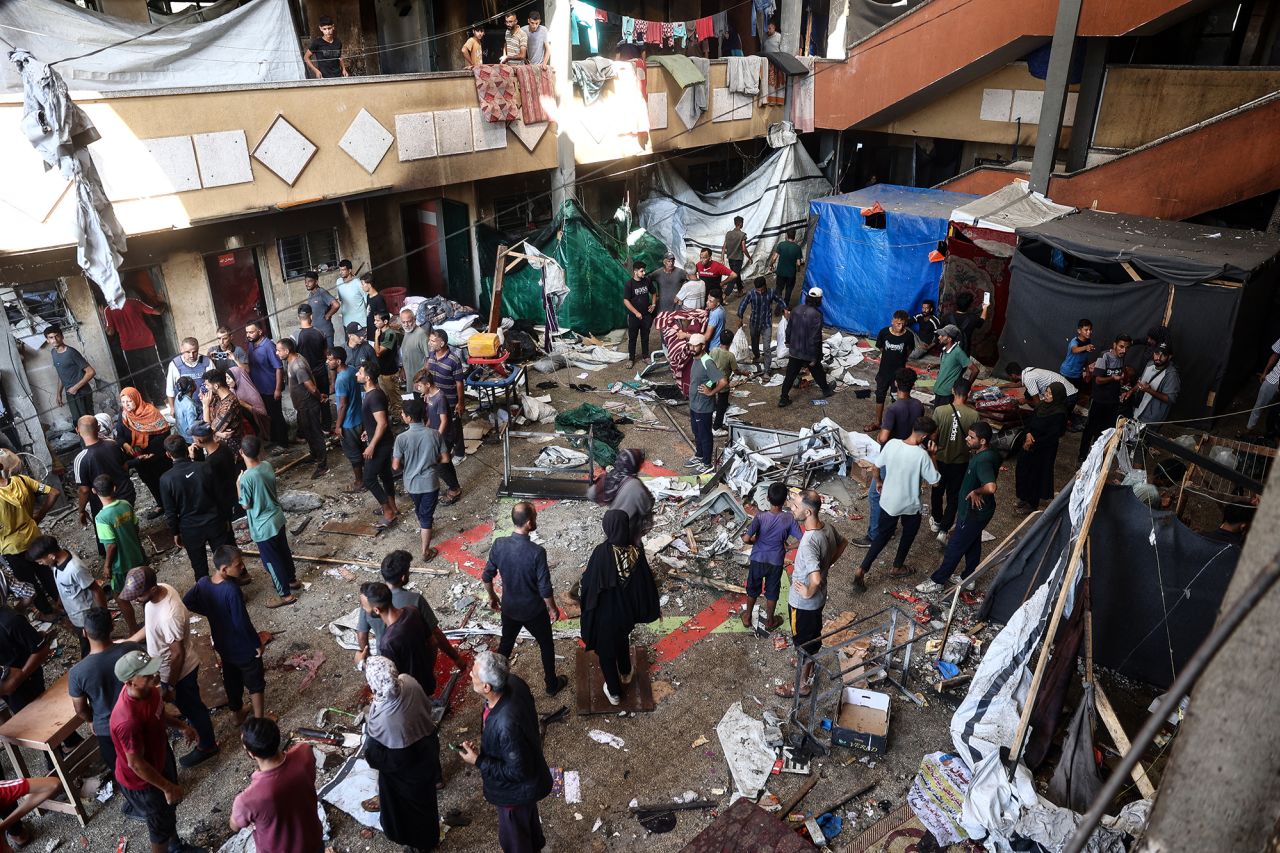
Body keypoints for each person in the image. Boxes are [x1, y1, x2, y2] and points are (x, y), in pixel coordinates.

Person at [109, 648, 205, 853]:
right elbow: (136, 763)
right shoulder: (127, 720)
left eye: (152, 669)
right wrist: (166, 787)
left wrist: (182, 727)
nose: (155, 675)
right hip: (143, 781)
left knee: (167, 813)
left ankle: (176, 846)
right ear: (129, 683)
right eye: (146, 675)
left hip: (160, 758)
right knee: (159, 827)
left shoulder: (149, 690)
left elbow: (158, 714)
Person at [120, 567, 218, 767]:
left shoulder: (169, 615)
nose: (136, 599)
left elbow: (177, 653)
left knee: (193, 709)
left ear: (153, 589)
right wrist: (129, 640)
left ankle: (207, 746)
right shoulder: (160, 591)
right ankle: (196, 730)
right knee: (188, 707)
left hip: (180, 672)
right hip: (165, 667)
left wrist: (169, 685)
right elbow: (151, 627)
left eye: (139, 595)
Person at [459, 651, 553, 853]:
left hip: (514, 795)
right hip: (528, 783)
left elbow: (518, 772)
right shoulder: (515, 683)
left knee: (515, 840)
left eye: (474, 674)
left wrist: (478, 760)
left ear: (487, 687)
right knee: (528, 824)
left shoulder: (505, 724)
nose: (470, 676)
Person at [482, 502, 568, 696]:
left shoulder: (499, 544)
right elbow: (545, 588)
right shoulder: (537, 552)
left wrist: (493, 596)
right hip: (533, 611)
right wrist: (553, 608)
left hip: (510, 609)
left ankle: (495, 686)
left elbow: (487, 576)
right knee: (546, 645)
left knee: (505, 645)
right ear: (529, 523)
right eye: (535, 517)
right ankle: (551, 684)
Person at [580, 510, 660, 705]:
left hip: (605, 617)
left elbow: (589, 585)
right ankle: (626, 672)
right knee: (622, 640)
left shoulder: (601, 552)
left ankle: (614, 692)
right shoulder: (637, 552)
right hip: (626, 614)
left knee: (606, 653)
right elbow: (646, 583)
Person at [362, 656, 441, 852]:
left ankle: (420, 845)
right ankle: (430, 839)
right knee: (426, 802)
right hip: (427, 749)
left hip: (404, 768)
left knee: (408, 812)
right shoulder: (409, 682)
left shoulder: (383, 718)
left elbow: (374, 754)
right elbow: (428, 707)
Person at [854, 416, 940, 589]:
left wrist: (878, 482)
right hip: (910, 505)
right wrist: (933, 456)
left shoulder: (892, 444)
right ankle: (897, 566)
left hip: (888, 501)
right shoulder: (923, 456)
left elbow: (876, 467)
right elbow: (936, 481)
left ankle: (862, 568)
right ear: (924, 437)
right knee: (908, 534)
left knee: (882, 536)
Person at [777, 490, 847, 698]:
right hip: (819, 599)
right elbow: (843, 543)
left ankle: (801, 685)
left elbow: (815, 579)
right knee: (812, 636)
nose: (792, 507)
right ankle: (807, 663)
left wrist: (807, 590)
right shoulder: (826, 528)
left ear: (807, 512)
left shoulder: (808, 543)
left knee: (803, 643)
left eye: (796, 506)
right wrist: (827, 564)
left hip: (804, 604)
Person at [183, 546, 266, 721]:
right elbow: (241, 622)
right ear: (224, 569)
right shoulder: (231, 590)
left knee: (231, 678)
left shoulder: (204, 582)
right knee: (255, 681)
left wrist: (210, 611)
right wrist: (256, 643)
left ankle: (237, 714)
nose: (243, 567)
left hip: (222, 644)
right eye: (238, 564)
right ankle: (260, 720)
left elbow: (187, 601)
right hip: (241, 646)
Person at [917, 422, 1000, 594]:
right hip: (978, 512)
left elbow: (991, 487)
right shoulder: (988, 453)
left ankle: (937, 581)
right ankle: (968, 578)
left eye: (971, 437)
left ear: (983, 441)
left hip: (973, 513)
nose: (967, 439)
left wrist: (977, 490)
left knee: (954, 546)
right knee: (973, 543)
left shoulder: (983, 460)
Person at [68, 607, 143, 789]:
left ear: (85, 633)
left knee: (122, 768)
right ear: (112, 627)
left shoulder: (77, 673)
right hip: (139, 716)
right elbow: (148, 679)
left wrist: (91, 720)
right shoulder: (131, 649)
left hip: (108, 729)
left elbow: (80, 709)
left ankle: (135, 801)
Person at [355, 551, 464, 674]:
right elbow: (435, 636)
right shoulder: (414, 602)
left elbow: (362, 635)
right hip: (416, 660)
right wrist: (456, 658)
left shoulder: (371, 599)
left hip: (387, 660)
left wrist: (367, 659)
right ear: (403, 577)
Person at [230, 717, 324, 853]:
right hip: (313, 841)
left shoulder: (246, 800)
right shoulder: (304, 752)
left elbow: (234, 826)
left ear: (251, 753)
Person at [158, 435, 231, 580]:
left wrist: (175, 532)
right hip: (214, 521)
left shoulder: (166, 479)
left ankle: (207, 598)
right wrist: (226, 517)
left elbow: (170, 512)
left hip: (190, 529)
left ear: (168, 455)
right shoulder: (204, 467)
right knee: (225, 562)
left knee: (199, 567)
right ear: (187, 448)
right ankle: (234, 594)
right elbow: (220, 496)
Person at [237, 436, 299, 608]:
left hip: (263, 526)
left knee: (272, 561)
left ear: (241, 452)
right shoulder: (267, 465)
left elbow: (245, 505)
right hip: (277, 517)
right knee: (283, 551)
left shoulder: (246, 478)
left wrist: (238, 485)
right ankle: (292, 580)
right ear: (260, 451)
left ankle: (285, 595)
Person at [0, 451, 60, 616]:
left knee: (28, 582)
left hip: (12, 548)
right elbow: (54, 492)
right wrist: (39, 515)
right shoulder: (22, 480)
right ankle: (61, 602)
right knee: (47, 572)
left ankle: (47, 611)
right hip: (34, 537)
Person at [27, 535, 105, 659]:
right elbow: (62, 583)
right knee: (85, 639)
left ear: (51, 556)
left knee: (89, 644)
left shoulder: (75, 568)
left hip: (85, 615)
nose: (40, 564)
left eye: (40, 561)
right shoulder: (55, 563)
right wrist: (60, 598)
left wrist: (103, 615)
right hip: (74, 613)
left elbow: (96, 590)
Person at [393, 397, 449, 558]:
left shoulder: (401, 438)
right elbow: (445, 459)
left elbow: (395, 466)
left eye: (403, 414)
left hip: (411, 483)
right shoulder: (434, 434)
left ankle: (426, 532)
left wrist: (410, 465)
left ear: (409, 418)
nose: (402, 416)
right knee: (426, 516)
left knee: (421, 511)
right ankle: (425, 551)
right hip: (430, 482)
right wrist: (432, 460)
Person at [359, 582, 438, 696]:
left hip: (410, 694)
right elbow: (433, 643)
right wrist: (428, 670)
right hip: (428, 681)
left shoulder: (387, 643)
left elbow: (390, 682)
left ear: (376, 610)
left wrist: (361, 663)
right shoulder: (412, 610)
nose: (363, 608)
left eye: (364, 606)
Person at [741, 482, 796, 631]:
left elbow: (746, 539)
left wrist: (755, 540)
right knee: (772, 591)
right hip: (776, 561)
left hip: (758, 559)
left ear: (767, 498)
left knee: (753, 588)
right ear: (785, 500)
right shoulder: (789, 519)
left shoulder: (760, 517)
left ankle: (747, 617)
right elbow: (803, 539)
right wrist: (789, 547)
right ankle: (770, 621)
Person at [93, 474, 144, 633]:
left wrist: (107, 566)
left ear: (94, 491)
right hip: (137, 556)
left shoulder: (101, 518)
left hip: (120, 565)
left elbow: (111, 545)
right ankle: (153, 620)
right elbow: (136, 527)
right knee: (143, 591)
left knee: (120, 597)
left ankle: (134, 630)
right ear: (114, 488)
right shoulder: (125, 505)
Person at [930, 380, 980, 542]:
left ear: (953, 391)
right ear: (969, 394)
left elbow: (933, 437)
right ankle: (944, 530)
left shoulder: (939, 411)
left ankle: (937, 520)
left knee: (937, 491)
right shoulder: (974, 415)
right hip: (961, 462)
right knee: (954, 496)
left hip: (940, 459)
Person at [72, 414, 136, 532]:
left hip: (104, 504)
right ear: (98, 427)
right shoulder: (113, 444)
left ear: (77, 430)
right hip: (126, 494)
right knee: (130, 527)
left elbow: (84, 490)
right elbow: (125, 467)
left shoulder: (80, 459)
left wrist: (81, 510)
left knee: (112, 535)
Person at [276, 338, 328, 479]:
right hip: (302, 406)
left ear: (287, 351)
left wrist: (319, 397)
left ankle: (323, 465)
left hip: (308, 406)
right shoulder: (293, 359)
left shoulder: (297, 366)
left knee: (315, 434)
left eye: (279, 350)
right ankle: (314, 454)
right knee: (307, 432)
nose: (277, 353)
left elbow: (310, 387)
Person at [117, 386, 174, 516]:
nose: (126, 405)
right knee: (150, 481)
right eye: (124, 402)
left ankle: (174, 504)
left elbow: (164, 432)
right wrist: (125, 445)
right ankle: (161, 504)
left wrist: (148, 451)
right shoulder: (124, 416)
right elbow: (119, 436)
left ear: (136, 399)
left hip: (157, 457)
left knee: (164, 480)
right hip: (139, 458)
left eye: (129, 401)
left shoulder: (151, 412)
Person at [1014, 381, 1068, 513]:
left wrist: (1033, 442)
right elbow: (1030, 422)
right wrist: (1027, 435)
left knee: (1036, 476)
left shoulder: (1059, 413)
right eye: (1047, 392)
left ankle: (1032, 504)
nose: (1046, 395)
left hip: (1043, 449)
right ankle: (1023, 497)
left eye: (1050, 394)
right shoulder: (1041, 406)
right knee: (1022, 469)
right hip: (1029, 443)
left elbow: (1054, 435)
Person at [102, 295, 166, 405]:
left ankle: (145, 404)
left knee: (137, 376)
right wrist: (163, 301)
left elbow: (110, 332)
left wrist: (103, 321)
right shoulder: (134, 302)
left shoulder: (108, 309)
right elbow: (157, 312)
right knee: (156, 371)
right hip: (147, 342)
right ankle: (162, 400)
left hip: (129, 347)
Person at [357, 362, 399, 528]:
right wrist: (368, 430)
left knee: (368, 478)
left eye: (360, 372)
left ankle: (388, 512)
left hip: (380, 444)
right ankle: (393, 507)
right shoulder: (372, 393)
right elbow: (376, 422)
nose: (357, 375)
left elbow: (382, 423)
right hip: (381, 440)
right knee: (385, 475)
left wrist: (371, 445)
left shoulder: (374, 396)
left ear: (367, 378)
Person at [411, 369, 462, 504]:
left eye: (420, 386)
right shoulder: (429, 396)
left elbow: (444, 420)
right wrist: (425, 429)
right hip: (436, 434)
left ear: (427, 384)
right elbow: (430, 417)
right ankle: (454, 486)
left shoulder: (440, 398)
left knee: (439, 465)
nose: (418, 389)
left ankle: (454, 489)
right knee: (446, 463)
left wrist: (437, 438)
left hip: (445, 436)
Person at [1078, 335, 1130, 462]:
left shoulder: (1122, 358)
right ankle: (1082, 456)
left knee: (1105, 431)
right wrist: (1113, 378)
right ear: (1114, 345)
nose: (1123, 350)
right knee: (1090, 429)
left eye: (1127, 348)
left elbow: (1120, 373)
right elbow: (1098, 380)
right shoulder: (1105, 356)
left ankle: (1095, 455)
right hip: (1099, 400)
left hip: (1112, 401)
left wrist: (1122, 376)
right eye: (1121, 347)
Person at [778, 288, 833, 408]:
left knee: (790, 375)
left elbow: (789, 328)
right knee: (818, 372)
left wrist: (788, 341)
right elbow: (816, 338)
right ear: (819, 300)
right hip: (808, 352)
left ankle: (783, 398)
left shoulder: (796, 310)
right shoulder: (817, 315)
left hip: (795, 350)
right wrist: (814, 357)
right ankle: (826, 390)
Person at [587, 448, 654, 545]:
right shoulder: (635, 485)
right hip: (629, 526)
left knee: (612, 549)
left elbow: (591, 494)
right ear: (635, 465)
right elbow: (646, 506)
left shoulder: (610, 477)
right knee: (630, 553)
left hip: (612, 524)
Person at [0, 598, 53, 716]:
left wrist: (19, 677)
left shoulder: (10, 621)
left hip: (25, 686)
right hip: (8, 688)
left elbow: (42, 650)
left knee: (42, 720)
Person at [685, 333, 727, 473]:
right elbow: (709, 378)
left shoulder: (707, 361)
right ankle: (699, 455)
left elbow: (723, 381)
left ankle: (707, 462)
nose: (691, 348)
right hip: (694, 404)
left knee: (704, 434)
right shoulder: (696, 359)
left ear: (703, 346)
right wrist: (709, 383)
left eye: (695, 345)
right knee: (696, 432)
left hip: (703, 406)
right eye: (690, 345)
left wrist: (710, 392)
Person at [427, 329, 467, 465]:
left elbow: (459, 383)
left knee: (454, 428)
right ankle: (446, 450)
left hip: (450, 401)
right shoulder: (431, 355)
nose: (430, 343)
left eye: (433, 341)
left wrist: (460, 403)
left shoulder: (453, 360)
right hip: (436, 400)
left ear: (442, 343)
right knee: (441, 425)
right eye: (430, 340)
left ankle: (460, 453)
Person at [329, 348, 366, 494]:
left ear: (338, 361)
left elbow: (343, 405)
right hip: (359, 417)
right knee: (363, 450)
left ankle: (359, 482)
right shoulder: (351, 370)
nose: (327, 361)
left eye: (330, 359)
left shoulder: (341, 380)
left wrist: (338, 426)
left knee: (354, 454)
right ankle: (368, 477)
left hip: (348, 423)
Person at [869, 310, 914, 431]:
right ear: (892, 321)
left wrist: (901, 359)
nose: (901, 326)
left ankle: (894, 424)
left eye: (903, 324)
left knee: (897, 399)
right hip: (884, 372)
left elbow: (908, 351)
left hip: (899, 374)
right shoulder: (884, 333)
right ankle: (878, 422)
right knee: (880, 396)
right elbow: (882, 348)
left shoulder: (908, 336)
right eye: (898, 323)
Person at [244, 321, 287, 444]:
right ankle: (274, 440)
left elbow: (278, 368)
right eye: (247, 332)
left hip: (271, 388)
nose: (248, 335)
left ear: (260, 331)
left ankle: (283, 443)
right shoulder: (252, 345)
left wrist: (278, 389)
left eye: (251, 332)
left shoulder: (268, 346)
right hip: (259, 388)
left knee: (276, 416)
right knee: (267, 415)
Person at [188, 422, 239, 525]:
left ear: (199, 440)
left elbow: (201, 478)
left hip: (224, 499)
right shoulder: (223, 445)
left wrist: (193, 459)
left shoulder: (210, 463)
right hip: (232, 489)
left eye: (193, 438)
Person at [44, 325, 95, 421]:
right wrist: (58, 393)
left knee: (88, 423)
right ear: (47, 340)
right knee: (78, 422)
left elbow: (91, 372)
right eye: (51, 337)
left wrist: (75, 388)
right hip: (70, 393)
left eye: (57, 336)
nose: (54, 339)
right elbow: (61, 374)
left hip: (81, 392)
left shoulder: (71, 353)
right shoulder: (53, 353)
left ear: (62, 337)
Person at [295, 305, 332, 432]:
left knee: (308, 403)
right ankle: (326, 428)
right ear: (311, 316)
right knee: (324, 400)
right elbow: (326, 353)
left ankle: (311, 430)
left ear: (298, 318)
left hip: (305, 377)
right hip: (321, 373)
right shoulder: (320, 333)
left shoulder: (295, 336)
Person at [736, 277, 787, 368]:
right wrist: (740, 318)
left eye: (762, 290)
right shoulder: (751, 293)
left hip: (766, 324)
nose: (760, 292)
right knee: (754, 342)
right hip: (754, 323)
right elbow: (743, 304)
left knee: (767, 347)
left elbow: (780, 300)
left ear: (765, 286)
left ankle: (767, 370)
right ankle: (757, 355)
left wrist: (785, 309)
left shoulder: (771, 292)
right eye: (758, 290)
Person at [1126, 342, 1180, 425]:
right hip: (1137, 410)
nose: (1158, 358)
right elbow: (1141, 382)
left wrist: (1150, 390)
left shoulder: (1171, 375)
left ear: (1169, 357)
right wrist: (1131, 391)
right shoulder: (1150, 364)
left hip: (1151, 419)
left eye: (1163, 355)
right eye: (1157, 354)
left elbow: (1170, 399)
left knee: (1143, 437)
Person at [710, 329, 750, 436]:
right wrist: (744, 373)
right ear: (731, 342)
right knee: (722, 407)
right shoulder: (730, 356)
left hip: (712, 381)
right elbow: (736, 371)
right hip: (723, 385)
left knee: (712, 401)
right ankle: (716, 427)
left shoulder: (714, 350)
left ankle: (713, 420)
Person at [201, 368, 246, 455]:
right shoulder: (218, 398)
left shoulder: (229, 405)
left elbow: (206, 429)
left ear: (216, 386)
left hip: (229, 450)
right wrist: (218, 433)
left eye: (207, 385)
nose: (206, 388)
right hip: (220, 445)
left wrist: (205, 406)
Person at [932, 325, 976, 408]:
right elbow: (950, 364)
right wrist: (936, 366)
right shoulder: (945, 349)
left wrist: (967, 386)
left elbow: (975, 370)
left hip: (947, 394)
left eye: (942, 336)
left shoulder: (958, 352)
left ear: (949, 339)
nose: (939, 337)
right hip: (939, 390)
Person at [371, 311, 403, 423]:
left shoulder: (389, 334)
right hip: (382, 372)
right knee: (386, 397)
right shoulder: (381, 332)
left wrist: (376, 337)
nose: (375, 322)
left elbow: (378, 352)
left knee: (395, 398)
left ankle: (401, 420)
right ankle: (393, 417)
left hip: (390, 373)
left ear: (385, 321)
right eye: (374, 320)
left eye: (377, 320)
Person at [165, 338, 212, 415]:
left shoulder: (207, 362)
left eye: (195, 352)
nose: (191, 355)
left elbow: (215, 384)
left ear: (198, 349)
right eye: (188, 352)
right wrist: (172, 408)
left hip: (206, 407)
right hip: (184, 410)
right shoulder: (175, 364)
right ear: (181, 350)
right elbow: (170, 389)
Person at [623, 261, 656, 367]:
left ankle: (646, 356)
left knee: (645, 337)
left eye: (644, 270)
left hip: (646, 315)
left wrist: (654, 304)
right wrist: (636, 312)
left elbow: (654, 292)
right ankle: (631, 359)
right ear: (635, 271)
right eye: (642, 271)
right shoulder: (629, 284)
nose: (644, 273)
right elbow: (626, 301)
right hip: (634, 317)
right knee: (632, 338)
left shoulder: (646, 281)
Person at [1006, 362, 1079, 410]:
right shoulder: (1027, 370)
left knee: (1046, 412)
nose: (1010, 378)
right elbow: (1018, 384)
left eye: (1009, 376)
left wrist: (1026, 401)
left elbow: (1038, 403)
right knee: (1028, 393)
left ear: (1013, 375)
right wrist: (1001, 386)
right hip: (1072, 391)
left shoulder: (1028, 379)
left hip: (1069, 397)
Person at [1245, 336, 1280, 436]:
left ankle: (1273, 436)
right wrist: (1265, 372)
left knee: (1276, 413)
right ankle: (1249, 429)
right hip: (1273, 378)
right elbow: (1275, 355)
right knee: (1258, 405)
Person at [880, 368, 924, 445]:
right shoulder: (919, 405)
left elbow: (883, 438)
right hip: (911, 446)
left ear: (896, 383)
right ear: (913, 385)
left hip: (895, 448)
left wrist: (879, 436)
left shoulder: (893, 408)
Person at [225, 364, 269, 440]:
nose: (227, 381)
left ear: (237, 378)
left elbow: (263, 413)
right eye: (226, 378)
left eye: (229, 378)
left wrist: (244, 404)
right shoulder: (232, 390)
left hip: (254, 425)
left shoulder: (252, 394)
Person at [301, 270, 340, 347]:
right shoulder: (310, 295)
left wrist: (328, 315)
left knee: (330, 356)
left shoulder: (322, 292)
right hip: (317, 333)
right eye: (305, 281)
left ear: (316, 282)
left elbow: (336, 305)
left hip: (325, 331)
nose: (307, 284)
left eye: (310, 281)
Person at [942, 291, 987, 356]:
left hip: (948, 349)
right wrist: (985, 308)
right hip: (964, 351)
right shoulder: (973, 318)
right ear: (969, 305)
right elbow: (982, 321)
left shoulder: (947, 317)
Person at [399, 306, 431, 396]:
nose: (406, 324)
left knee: (420, 403)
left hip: (419, 381)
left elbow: (429, 357)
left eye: (408, 321)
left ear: (414, 319)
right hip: (410, 378)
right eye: (403, 322)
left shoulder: (421, 334)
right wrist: (403, 369)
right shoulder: (407, 332)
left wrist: (422, 379)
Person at [768, 229, 804, 306]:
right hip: (791, 274)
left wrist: (771, 265)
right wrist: (798, 269)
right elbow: (798, 263)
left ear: (787, 236)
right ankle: (785, 305)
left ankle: (778, 303)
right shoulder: (797, 248)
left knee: (779, 289)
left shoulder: (781, 245)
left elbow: (774, 258)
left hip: (780, 272)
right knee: (789, 290)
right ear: (794, 236)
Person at [1059, 318, 1095, 385]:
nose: (1089, 332)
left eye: (1090, 330)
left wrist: (1087, 372)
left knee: (1077, 393)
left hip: (1078, 374)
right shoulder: (1074, 341)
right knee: (1067, 394)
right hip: (1067, 373)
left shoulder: (1088, 341)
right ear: (1079, 331)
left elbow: (1085, 358)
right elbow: (1074, 350)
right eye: (1086, 330)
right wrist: (1086, 347)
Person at [722, 216, 751, 296]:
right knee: (733, 277)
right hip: (738, 259)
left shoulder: (728, 234)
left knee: (736, 275)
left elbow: (723, 247)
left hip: (730, 258)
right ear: (740, 223)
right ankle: (724, 296)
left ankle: (740, 291)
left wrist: (722, 258)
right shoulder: (742, 235)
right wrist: (750, 258)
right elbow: (744, 249)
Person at [335, 260, 367, 329]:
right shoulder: (338, 282)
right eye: (340, 270)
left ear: (349, 270)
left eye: (343, 270)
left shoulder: (358, 283)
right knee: (348, 340)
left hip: (360, 322)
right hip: (346, 322)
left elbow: (367, 300)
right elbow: (340, 299)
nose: (341, 272)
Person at [361, 274, 388, 344]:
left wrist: (378, 332)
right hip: (370, 331)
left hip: (377, 333)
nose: (362, 286)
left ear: (369, 285)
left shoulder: (379, 299)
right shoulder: (368, 296)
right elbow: (369, 314)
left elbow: (383, 318)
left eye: (363, 284)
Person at [172, 377, 200, 444]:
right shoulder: (190, 405)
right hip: (191, 440)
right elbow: (192, 427)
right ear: (190, 388)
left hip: (181, 434)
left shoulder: (178, 396)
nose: (195, 383)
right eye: (193, 382)